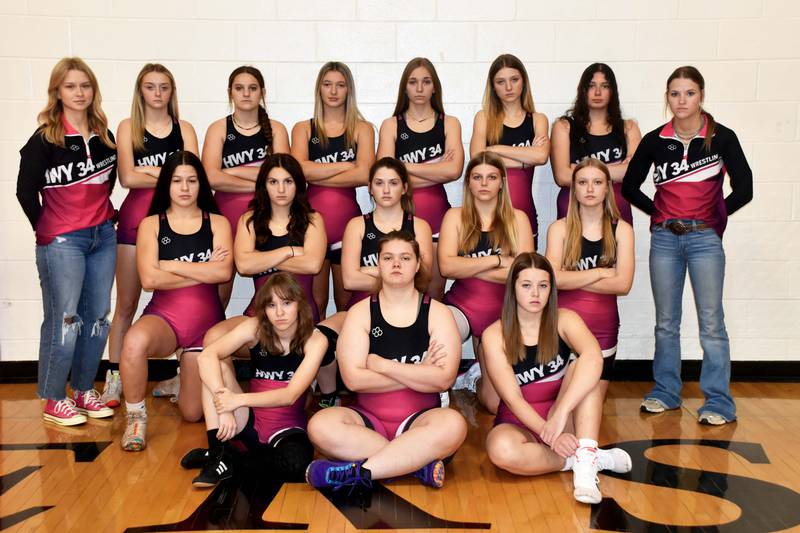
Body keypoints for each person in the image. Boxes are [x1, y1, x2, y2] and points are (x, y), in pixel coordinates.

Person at [622, 66, 753, 425]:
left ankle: (718, 402)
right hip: (665, 239)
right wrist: (658, 212)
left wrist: (715, 217)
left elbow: (746, 187)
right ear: (668, 97)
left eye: (689, 93)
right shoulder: (654, 140)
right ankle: (665, 392)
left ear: (701, 96)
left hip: (704, 240)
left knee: (711, 323)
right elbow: (630, 186)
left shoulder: (722, 138)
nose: (682, 101)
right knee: (666, 322)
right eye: (675, 94)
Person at [305, 231, 466, 490]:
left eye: (405, 258)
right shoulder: (360, 313)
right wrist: (419, 371)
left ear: (417, 265)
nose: (396, 264)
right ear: (378, 264)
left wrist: (382, 365)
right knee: (320, 425)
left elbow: (443, 379)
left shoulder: (438, 313)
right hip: (368, 422)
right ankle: (415, 465)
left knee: (454, 424)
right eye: (388, 258)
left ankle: (362, 472)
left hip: (420, 421)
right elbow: (354, 380)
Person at [483, 253, 632, 504]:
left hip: (562, 414)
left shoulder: (565, 319)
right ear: (513, 289)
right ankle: (584, 458)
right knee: (500, 450)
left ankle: (585, 467)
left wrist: (560, 414)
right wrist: (548, 432)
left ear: (551, 289)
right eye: (526, 285)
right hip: (521, 422)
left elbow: (595, 359)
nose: (535, 294)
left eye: (543, 286)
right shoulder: (494, 335)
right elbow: (513, 399)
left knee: (587, 369)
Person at [17, 57, 117, 426]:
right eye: (71, 86)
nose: (79, 93)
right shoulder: (45, 138)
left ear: (94, 90)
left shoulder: (104, 134)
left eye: (85, 85)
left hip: (103, 236)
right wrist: (48, 229)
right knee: (65, 319)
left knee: (97, 319)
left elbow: (107, 185)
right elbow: (24, 191)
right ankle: (53, 397)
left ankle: (82, 389)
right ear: (57, 92)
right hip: (63, 242)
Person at [119, 151, 233, 451]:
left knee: (193, 413)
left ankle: (182, 375)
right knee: (133, 342)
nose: (184, 188)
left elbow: (222, 272)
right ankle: (135, 417)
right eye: (177, 180)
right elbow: (150, 280)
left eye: (192, 181)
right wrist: (202, 270)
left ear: (201, 184)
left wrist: (170, 264)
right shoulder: (151, 225)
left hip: (204, 328)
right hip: (165, 319)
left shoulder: (218, 223)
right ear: (166, 185)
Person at [204, 153, 336, 407]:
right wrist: (289, 250)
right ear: (263, 185)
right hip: (260, 316)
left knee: (301, 403)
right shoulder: (250, 220)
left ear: (298, 184)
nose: (281, 189)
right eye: (273, 182)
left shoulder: (313, 220)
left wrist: (262, 258)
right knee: (212, 340)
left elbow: (312, 264)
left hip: (300, 319)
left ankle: (320, 391)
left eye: (288, 181)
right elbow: (243, 264)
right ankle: (230, 400)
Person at [182, 273, 335, 488]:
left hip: (287, 428)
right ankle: (218, 454)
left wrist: (237, 400)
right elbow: (207, 355)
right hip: (247, 420)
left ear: (300, 305)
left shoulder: (315, 339)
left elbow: (289, 395)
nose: (279, 312)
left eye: (286, 303)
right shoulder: (255, 327)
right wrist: (224, 405)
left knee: (295, 467)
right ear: (264, 309)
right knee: (217, 367)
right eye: (272, 305)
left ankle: (225, 456)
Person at [105, 63, 199, 408]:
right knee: (127, 304)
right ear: (140, 91)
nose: (158, 93)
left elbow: (192, 174)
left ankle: (180, 375)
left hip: (176, 224)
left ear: (172, 92)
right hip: (134, 221)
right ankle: (115, 377)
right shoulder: (128, 127)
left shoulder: (184, 128)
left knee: (183, 303)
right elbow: (128, 178)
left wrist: (150, 171)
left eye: (164, 87)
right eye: (150, 87)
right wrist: (167, 174)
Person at [545, 158, 634, 442]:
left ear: (608, 188)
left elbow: (623, 283)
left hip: (603, 331)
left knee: (586, 412)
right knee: (563, 423)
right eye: (582, 183)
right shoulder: (559, 229)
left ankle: (586, 457)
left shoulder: (621, 230)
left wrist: (575, 276)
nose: (590, 189)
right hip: (562, 332)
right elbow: (554, 280)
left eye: (597, 182)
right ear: (574, 189)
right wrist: (599, 273)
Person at [438, 151, 534, 413]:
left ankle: (475, 377)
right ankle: (438, 392)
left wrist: (467, 266)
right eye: (477, 177)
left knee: (494, 405)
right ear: (468, 182)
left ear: (502, 182)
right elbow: (447, 267)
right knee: (438, 330)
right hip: (463, 307)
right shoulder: (455, 217)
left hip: (504, 311)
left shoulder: (519, 219)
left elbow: (523, 272)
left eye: (491, 177)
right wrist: (496, 260)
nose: (484, 183)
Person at [291, 61, 375, 317]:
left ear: (349, 90)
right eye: (327, 85)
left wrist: (318, 171)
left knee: (346, 304)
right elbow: (299, 172)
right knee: (313, 304)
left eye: (340, 85)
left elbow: (364, 174)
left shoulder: (362, 128)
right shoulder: (303, 128)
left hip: (346, 227)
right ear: (319, 89)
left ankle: (344, 356)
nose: (334, 91)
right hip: (310, 225)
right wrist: (345, 166)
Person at [202, 65, 290, 308]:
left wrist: (232, 171)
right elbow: (210, 178)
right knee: (220, 288)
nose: (246, 94)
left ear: (262, 92)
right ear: (230, 92)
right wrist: (263, 180)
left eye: (252, 88)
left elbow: (283, 176)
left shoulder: (277, 129)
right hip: (226, 215)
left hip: (268, 215)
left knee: (272, 283)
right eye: (239, 88)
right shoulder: (219, 128)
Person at [377, 57, 464, 299]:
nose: (419, 88)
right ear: (405, 87)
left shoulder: (449, 123)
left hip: (438, 218)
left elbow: (454, 171)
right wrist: (437, 170)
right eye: (413, 82)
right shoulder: (391, 125)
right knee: (396, 290)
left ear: (434, 87)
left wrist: (403, 168)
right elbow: (385, 174)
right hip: (400, 217)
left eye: (426, 82)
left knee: (433, 293)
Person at [469, 54, 549, 245]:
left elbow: (541, 156)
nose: (508, 87)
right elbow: (478, 157)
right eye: (501, 82)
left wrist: (494, 149)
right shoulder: (484, 118)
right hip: (487, 214)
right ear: (493, 87)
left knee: (525, 273)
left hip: (525, 212)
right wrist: (524, 160)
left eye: (514, 79)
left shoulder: (538, 119)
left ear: (524, 82)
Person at [551, 63, 641, 224]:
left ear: (612, 91)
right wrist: (616, 172)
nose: (598, 92)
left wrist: (580, 171)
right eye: (592, 86)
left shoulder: (629, 128)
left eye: (604, 86)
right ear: (583, 90)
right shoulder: (564, 127)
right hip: (573, 210)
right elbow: (562, 176)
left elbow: (634, 174)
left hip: (617, 211)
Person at [341, 157, 433, 308]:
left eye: (393, 183)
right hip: (363, 307)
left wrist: (370, 270)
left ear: (404, 188)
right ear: (370, 188)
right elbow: (350, 280)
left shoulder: (420, 227)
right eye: (379, 183)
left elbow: (422, 279)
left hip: (406, 307)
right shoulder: (356, 225)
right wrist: (398, 278)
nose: (386, 190)